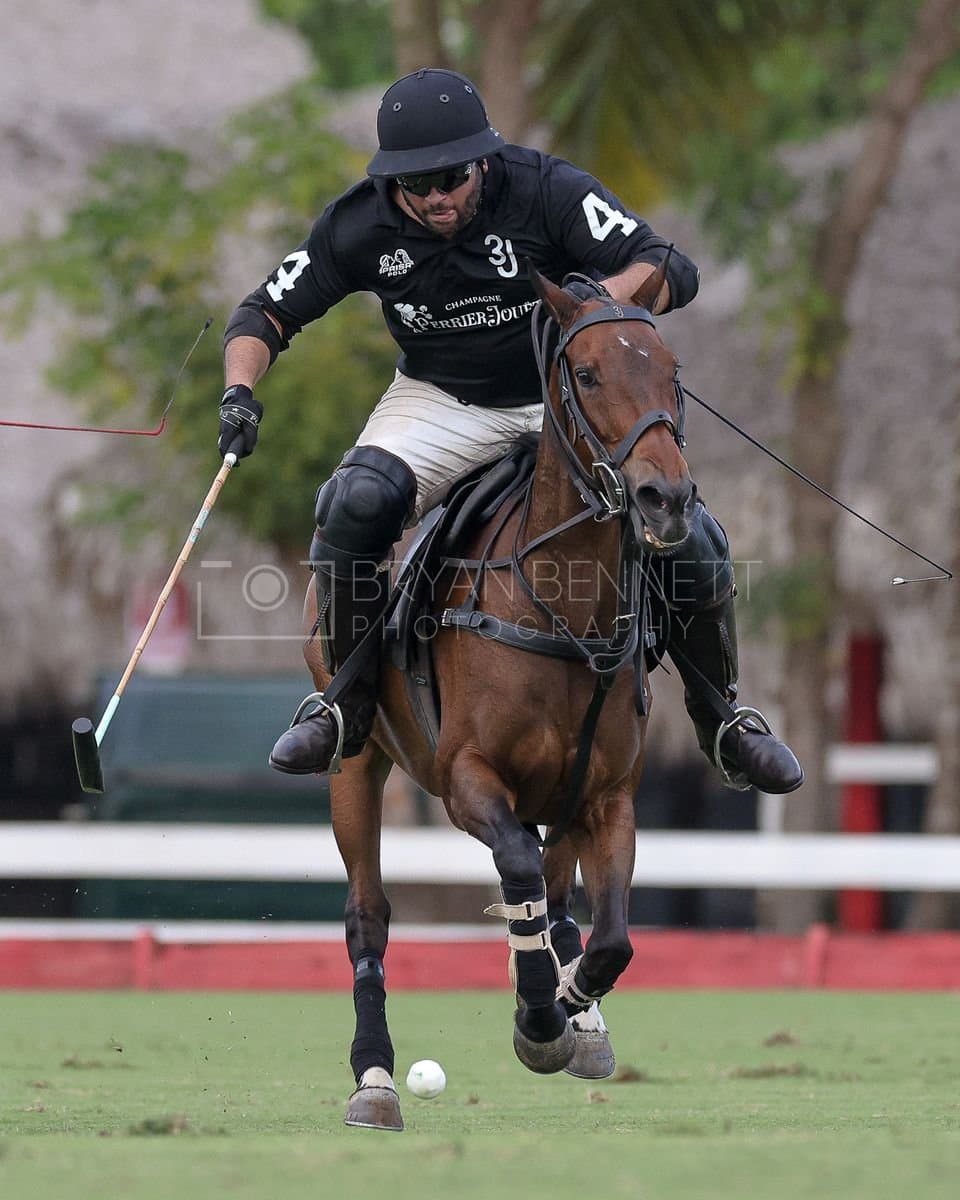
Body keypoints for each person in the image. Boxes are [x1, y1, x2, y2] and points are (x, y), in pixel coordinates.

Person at [218, 67, 803, 795]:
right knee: (353, 503)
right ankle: (345, 706)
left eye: (452, 178)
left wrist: (597, 301)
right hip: (442, 399)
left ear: (484, 161)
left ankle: (722, 719)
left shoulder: (546, 190)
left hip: (567, 399)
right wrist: (239, 393)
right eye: (417, 183)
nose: (437, 196)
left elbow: (667, 267)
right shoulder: (357, 225)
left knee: (691, 533)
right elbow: (265, 313)